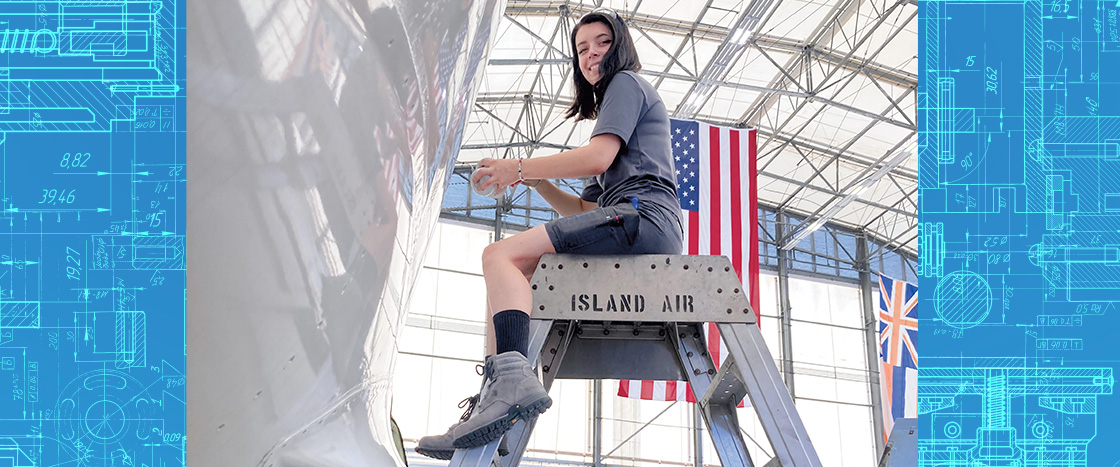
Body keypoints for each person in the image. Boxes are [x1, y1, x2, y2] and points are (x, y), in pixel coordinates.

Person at [416, 8, 683, 458]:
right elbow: (585, 209)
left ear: (620, 47)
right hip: (626, 217)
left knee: (497, 255)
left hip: (644, 217)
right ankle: (495, 394)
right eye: (581, 48)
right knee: (509, 269)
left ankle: (512, 381)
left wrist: (517, 167)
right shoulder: (611, 111)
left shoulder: (627, 84)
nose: (591, 54)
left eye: (601, 42)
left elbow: (597, 158)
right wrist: (538, 182)